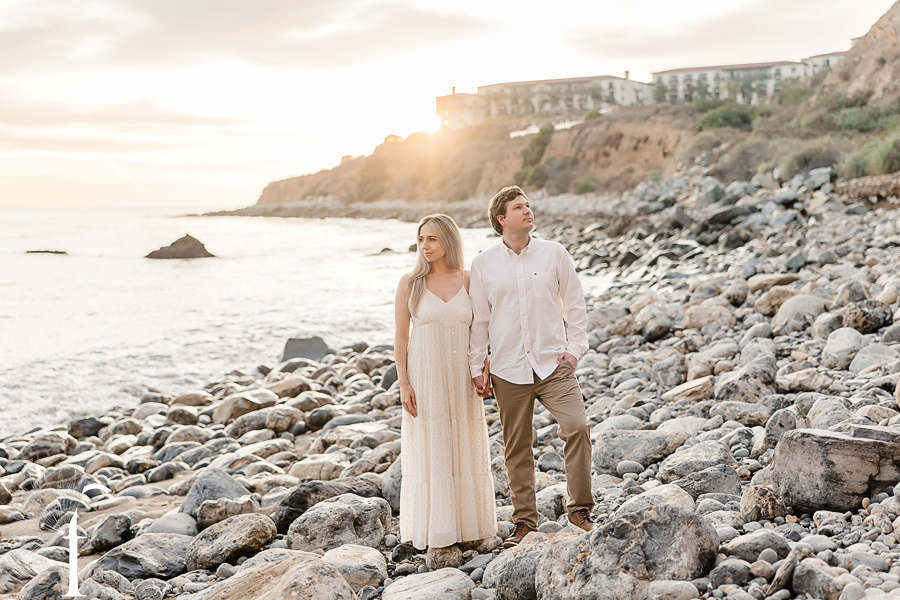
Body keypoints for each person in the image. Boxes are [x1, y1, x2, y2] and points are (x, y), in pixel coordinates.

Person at [468, 185, 594, 548]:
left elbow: (575, 303)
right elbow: (479, 320)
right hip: (507, 367)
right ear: (501, 219)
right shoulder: (483, 265)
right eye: (518, 207)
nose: (527, 211)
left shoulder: (554, 253)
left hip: (553, 364)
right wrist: (477, 366)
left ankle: (579, 509)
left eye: (528, 205)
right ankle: (524, 522)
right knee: (517, 446)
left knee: (577, 427)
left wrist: (574, 350)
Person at [394, 213, 497, 551]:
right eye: (421, 239)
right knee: (433, 445)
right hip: (425, 375)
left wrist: (483, 367)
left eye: (432, 239)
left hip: (461, 376)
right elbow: (400, 338)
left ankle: (470, 526)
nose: (425, 245)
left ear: (448, 241)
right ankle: (437, 528)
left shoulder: (469, 279)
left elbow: (481, 331)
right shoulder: (410, 283)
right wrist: (404, 384)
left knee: (463, 441)